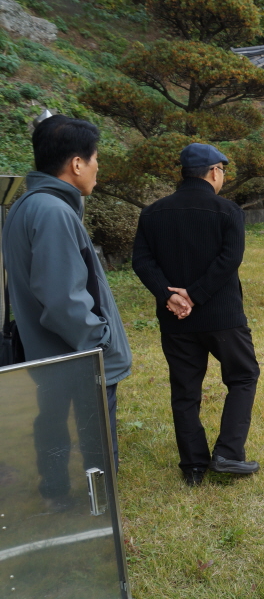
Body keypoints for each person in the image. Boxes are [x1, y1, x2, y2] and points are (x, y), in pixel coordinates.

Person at [2, 114, 132, 505]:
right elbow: (63, 300)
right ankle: (99, 508)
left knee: (52, 421)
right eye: (95, 159)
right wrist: (99, 340)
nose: (98, 167)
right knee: (95, 434)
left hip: (47, 352)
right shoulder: (54, 212)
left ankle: (55, 493)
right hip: (77, 355)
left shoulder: (26, 205)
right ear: (77, 163)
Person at [132, 143, 261, 487]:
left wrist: (171, 296)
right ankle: (229, 453)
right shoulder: (227, 210)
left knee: (185, 390)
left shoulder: (153, 213)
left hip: (176, 320)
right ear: (214, 171)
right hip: (223, 318)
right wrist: (198, 295)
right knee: (243, 376)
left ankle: (193, 466)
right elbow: (229, 259)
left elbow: (142, 262)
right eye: (222, 170)